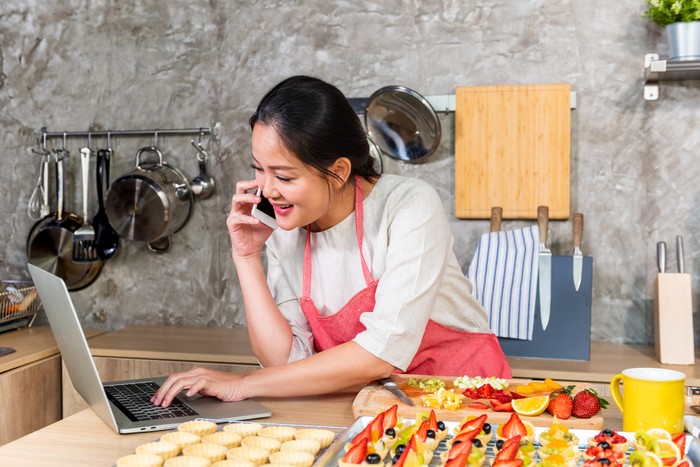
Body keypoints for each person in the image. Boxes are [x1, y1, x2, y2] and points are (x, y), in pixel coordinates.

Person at [152, 75, 510, 407]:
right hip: (371, 405)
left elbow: (382, 351)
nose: (266, 189)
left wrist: (244, 383)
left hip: (464, 401)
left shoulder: (409, 205)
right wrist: (246, 256)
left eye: (285, 176)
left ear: (338, 171)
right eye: (259, 168)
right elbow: (285, 360)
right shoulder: (285, 226)